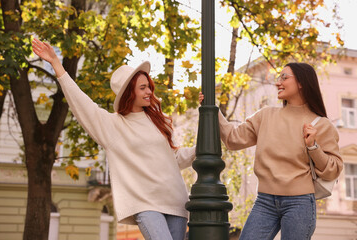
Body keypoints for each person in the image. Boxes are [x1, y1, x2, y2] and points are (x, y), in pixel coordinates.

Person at [32, 38, 196, 240]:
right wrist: (57, 65)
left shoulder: (158, 121)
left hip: (176, 202)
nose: (149, 91)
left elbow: (175, 159)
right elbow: (82, 104)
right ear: (130, 93)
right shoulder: (113, 126)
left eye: (149, 86)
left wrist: (203, 146)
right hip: (145, 204)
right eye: (143, 88)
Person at [200, 62, 343, 240]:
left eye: (284, 77)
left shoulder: (321, 124)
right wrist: (212, 109)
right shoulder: (266, 115)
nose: (278, 83)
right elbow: (233, 139)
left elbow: (333, 170)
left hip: (300, 203)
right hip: (265, 201)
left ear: (302, 83)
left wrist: (313, 147)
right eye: (278, 78)